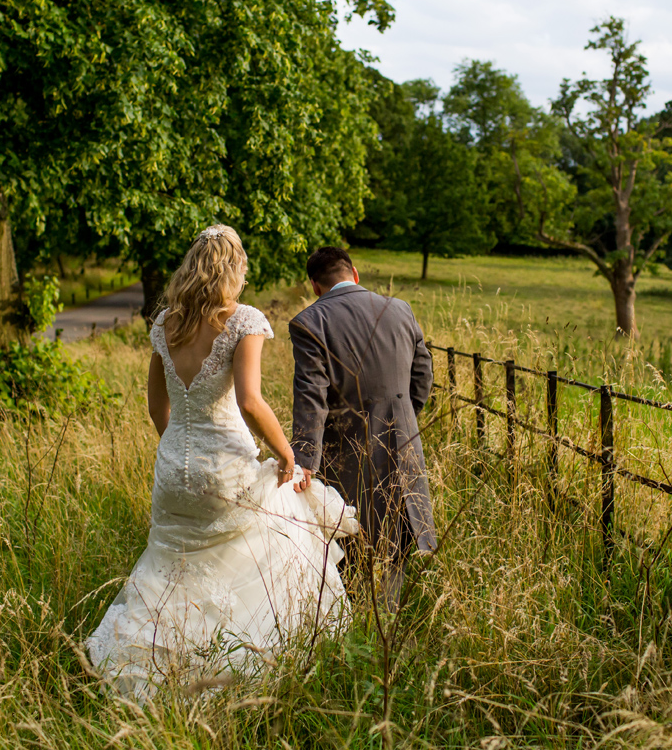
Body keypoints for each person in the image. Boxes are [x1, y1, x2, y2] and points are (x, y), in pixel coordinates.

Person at [86, 225, 357, 701]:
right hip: (226, 469)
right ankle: (248, 662)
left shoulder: (165, 323)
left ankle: (147, 664)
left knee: (171, 567)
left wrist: (177, 452)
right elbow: (251, 402)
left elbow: (156, 408)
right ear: (235, 271)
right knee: (280, 539)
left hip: (172, 469)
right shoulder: (243, 320)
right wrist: (286, 453)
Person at [289, 247, 435, 610]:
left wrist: (305, 458)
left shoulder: (310, 322)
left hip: (347, 450)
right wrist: (402, 417)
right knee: (398, 532)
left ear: (315, 285)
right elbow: (423, 375)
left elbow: (311, 397)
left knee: (354, 536)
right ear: (353, 273)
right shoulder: (400, 308)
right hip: (404, 442)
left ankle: (359, 627)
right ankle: (387, 617)